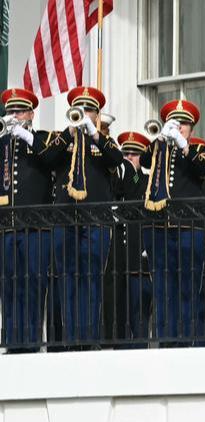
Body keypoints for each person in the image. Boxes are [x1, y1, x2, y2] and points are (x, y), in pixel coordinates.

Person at [40, 85, 123, 348]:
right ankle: (71, 340)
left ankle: (89, 339)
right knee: (68, 279)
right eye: (80, 110)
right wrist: (69, 133)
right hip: (65, 218)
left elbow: (117, 159)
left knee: (92, 278)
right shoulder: (62, 138)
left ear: (97, 115)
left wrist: (95, 134)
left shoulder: (104, 141)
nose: (84, 114)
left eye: (89, 110)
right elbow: (47, 159)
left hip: (95, 219)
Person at [141, 100, 205, 347]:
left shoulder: (198, 148)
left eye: (183, 124)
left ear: (191, 128)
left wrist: (182, 144)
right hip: (161, 229)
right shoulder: (160, 149)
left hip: (189, 228)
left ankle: (186, 343)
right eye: (175, 123)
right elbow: (145, 162)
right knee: (163, 290)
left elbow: (203, 168)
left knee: (188, 288)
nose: (178, 127)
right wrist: (160, 138)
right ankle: (166, 342)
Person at [0, 87, 52, 353]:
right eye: (10, 111)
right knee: (9, 285)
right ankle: (12, 341)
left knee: (33, 284)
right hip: (8, 226)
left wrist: (27, 136)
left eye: (19, 111)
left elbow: (52, 158)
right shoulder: (3, 144)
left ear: (31, 114)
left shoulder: (41, 139)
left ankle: (31, 342)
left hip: (35, 227)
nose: (14, 116)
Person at [111, 130, 150, 345]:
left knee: (138, 308)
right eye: (125, 154)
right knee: (118, 306)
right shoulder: (118, 176)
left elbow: (134, 188)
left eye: (133, 154)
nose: (128, 158)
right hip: (119, 254)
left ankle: (139, 345)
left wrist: (128, 168)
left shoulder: (144, 179)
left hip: (138, 253)